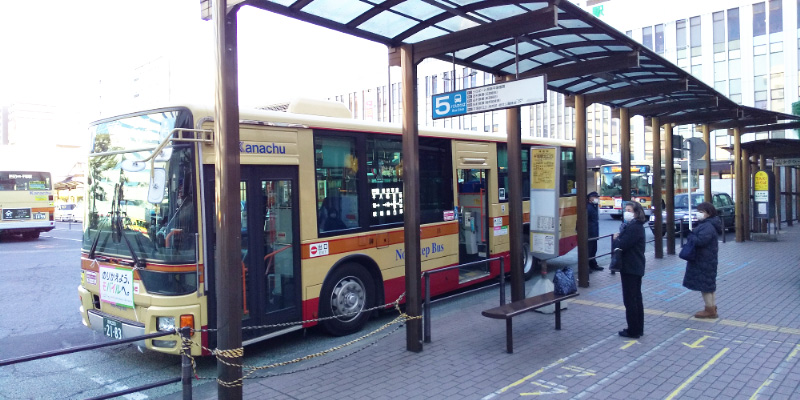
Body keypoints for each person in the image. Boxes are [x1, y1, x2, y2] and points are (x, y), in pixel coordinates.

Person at [612, 201, 647, 338]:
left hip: (631, 267)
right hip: (635, 266)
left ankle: (633, 329)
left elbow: (622, 245)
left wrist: (617, 239)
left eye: (629, 210)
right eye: (625, 209)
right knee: (636, 298)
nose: (626, 212)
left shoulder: (634, 228)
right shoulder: (635, 226)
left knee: (631, 299)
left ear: (636, 212)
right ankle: (638, 328)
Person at [682, 202, 723, 319]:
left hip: (704, 260)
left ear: (708, 213)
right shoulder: (710, 224)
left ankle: (709, 310)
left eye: (701, 212)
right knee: (709, 285)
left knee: (705, 286)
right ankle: (711, 307)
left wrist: (690, 235)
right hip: (708, 259)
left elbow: (700, 241)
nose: (698, 214)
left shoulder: (707, 226)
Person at [586, 191, 603, 272]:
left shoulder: (594, 206)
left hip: (594, 232)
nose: (597, 199)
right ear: (590, 198)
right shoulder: (588, 207)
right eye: (595, 197)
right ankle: (587, 266)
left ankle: (593, 264)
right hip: (589, 232)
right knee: (589, 250)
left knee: (593, 250)